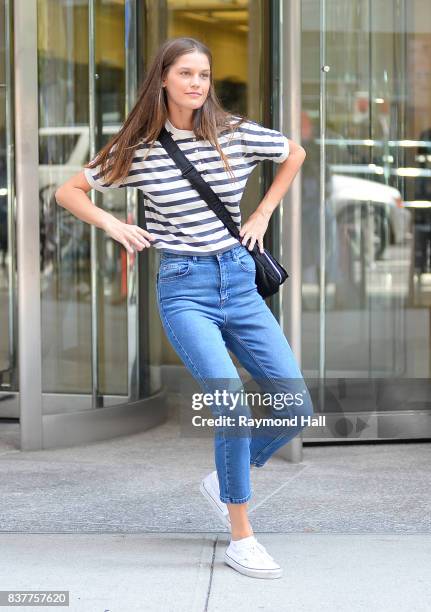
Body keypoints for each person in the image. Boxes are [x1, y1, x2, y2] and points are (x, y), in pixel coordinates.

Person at [55, 36, 313, 580]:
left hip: (240, 281)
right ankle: (242, 536)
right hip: (184, 287)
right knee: (231, 405)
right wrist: (116, 224)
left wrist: (264, 211)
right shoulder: (139, 147)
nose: (197, 83)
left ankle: (226, 478)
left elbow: (295, 151)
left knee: (295, 406)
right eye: (186, 73)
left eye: (204, 74)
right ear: (164, 79)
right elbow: (69, 191)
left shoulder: (234, 134)